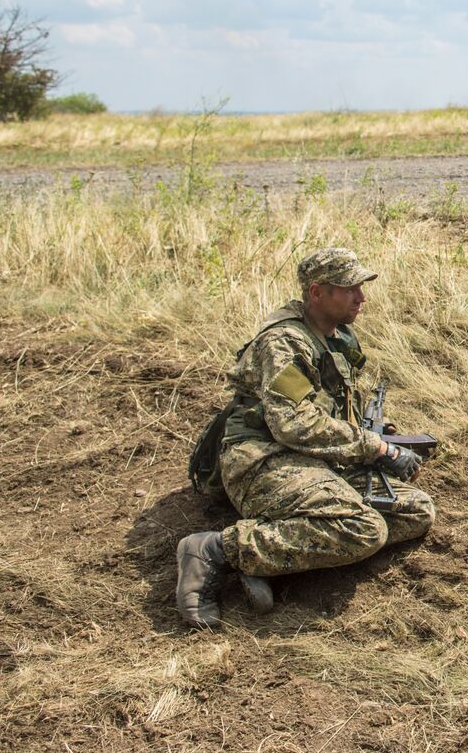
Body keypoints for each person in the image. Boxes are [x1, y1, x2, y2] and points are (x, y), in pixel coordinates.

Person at [175, 247, 435, 628]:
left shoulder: (336, 336)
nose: (361, 298)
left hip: (315, 457)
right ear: (316, 292)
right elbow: (293, 423)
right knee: (364, 528)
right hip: (264, 458)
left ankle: (274, 556)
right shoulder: (282, 344)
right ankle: (214, 550)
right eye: (349, 289)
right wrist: (373, 447)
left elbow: (328, 404)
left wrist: (376, 431)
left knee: (415, 510)